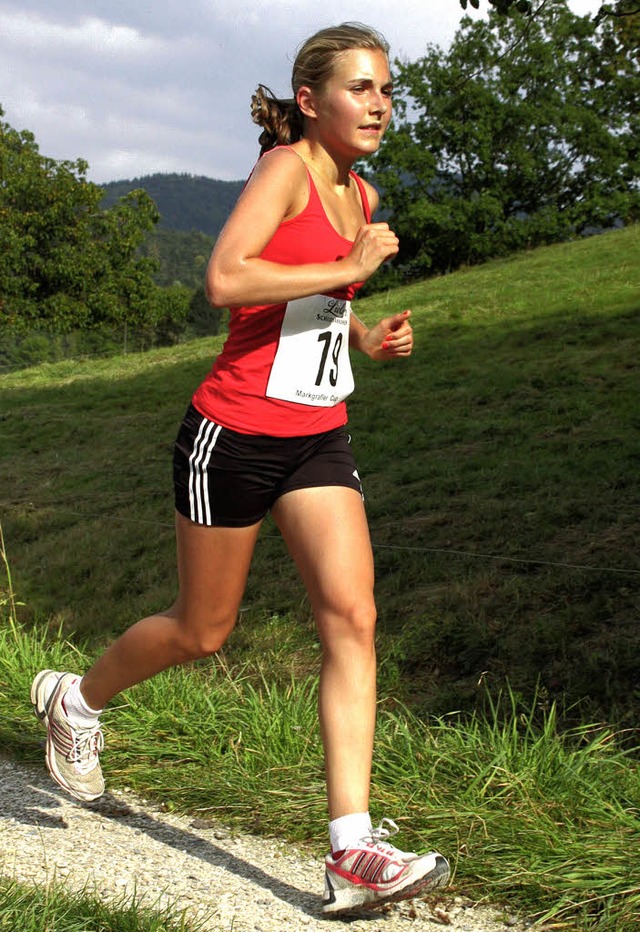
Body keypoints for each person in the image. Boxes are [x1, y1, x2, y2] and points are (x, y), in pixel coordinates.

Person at [31, 22, 450, 916]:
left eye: (387, 89)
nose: (379, 104)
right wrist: (346, 265)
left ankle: (351, 851)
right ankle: (76, 699)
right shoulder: (286, 171)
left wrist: (369, 337)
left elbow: (313, 310)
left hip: (317, 434)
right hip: (234, 434)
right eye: (361, 89)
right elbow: (226, 278)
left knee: (353, 616)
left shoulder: (361, 194)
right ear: (311, 101)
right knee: (202, 629)